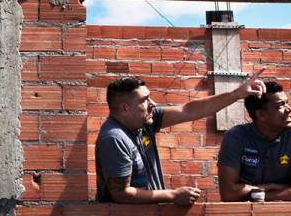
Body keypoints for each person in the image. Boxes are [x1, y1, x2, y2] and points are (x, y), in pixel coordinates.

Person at [95, 73, 265, 204]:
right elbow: (121, 194)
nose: (153, 103)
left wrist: (236, 94)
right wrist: (172, 195)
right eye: (145, 100)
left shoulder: (144, 122)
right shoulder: (114, 139)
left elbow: (188, 110)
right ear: (125, 108)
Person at [217, 80, 291, 202]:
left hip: (287, 215)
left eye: (287, 103)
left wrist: (260, 195)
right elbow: (228, 194)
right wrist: (274, 187)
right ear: (261, 115)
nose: (289, 109)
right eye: (281, 105)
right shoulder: (235, 137)